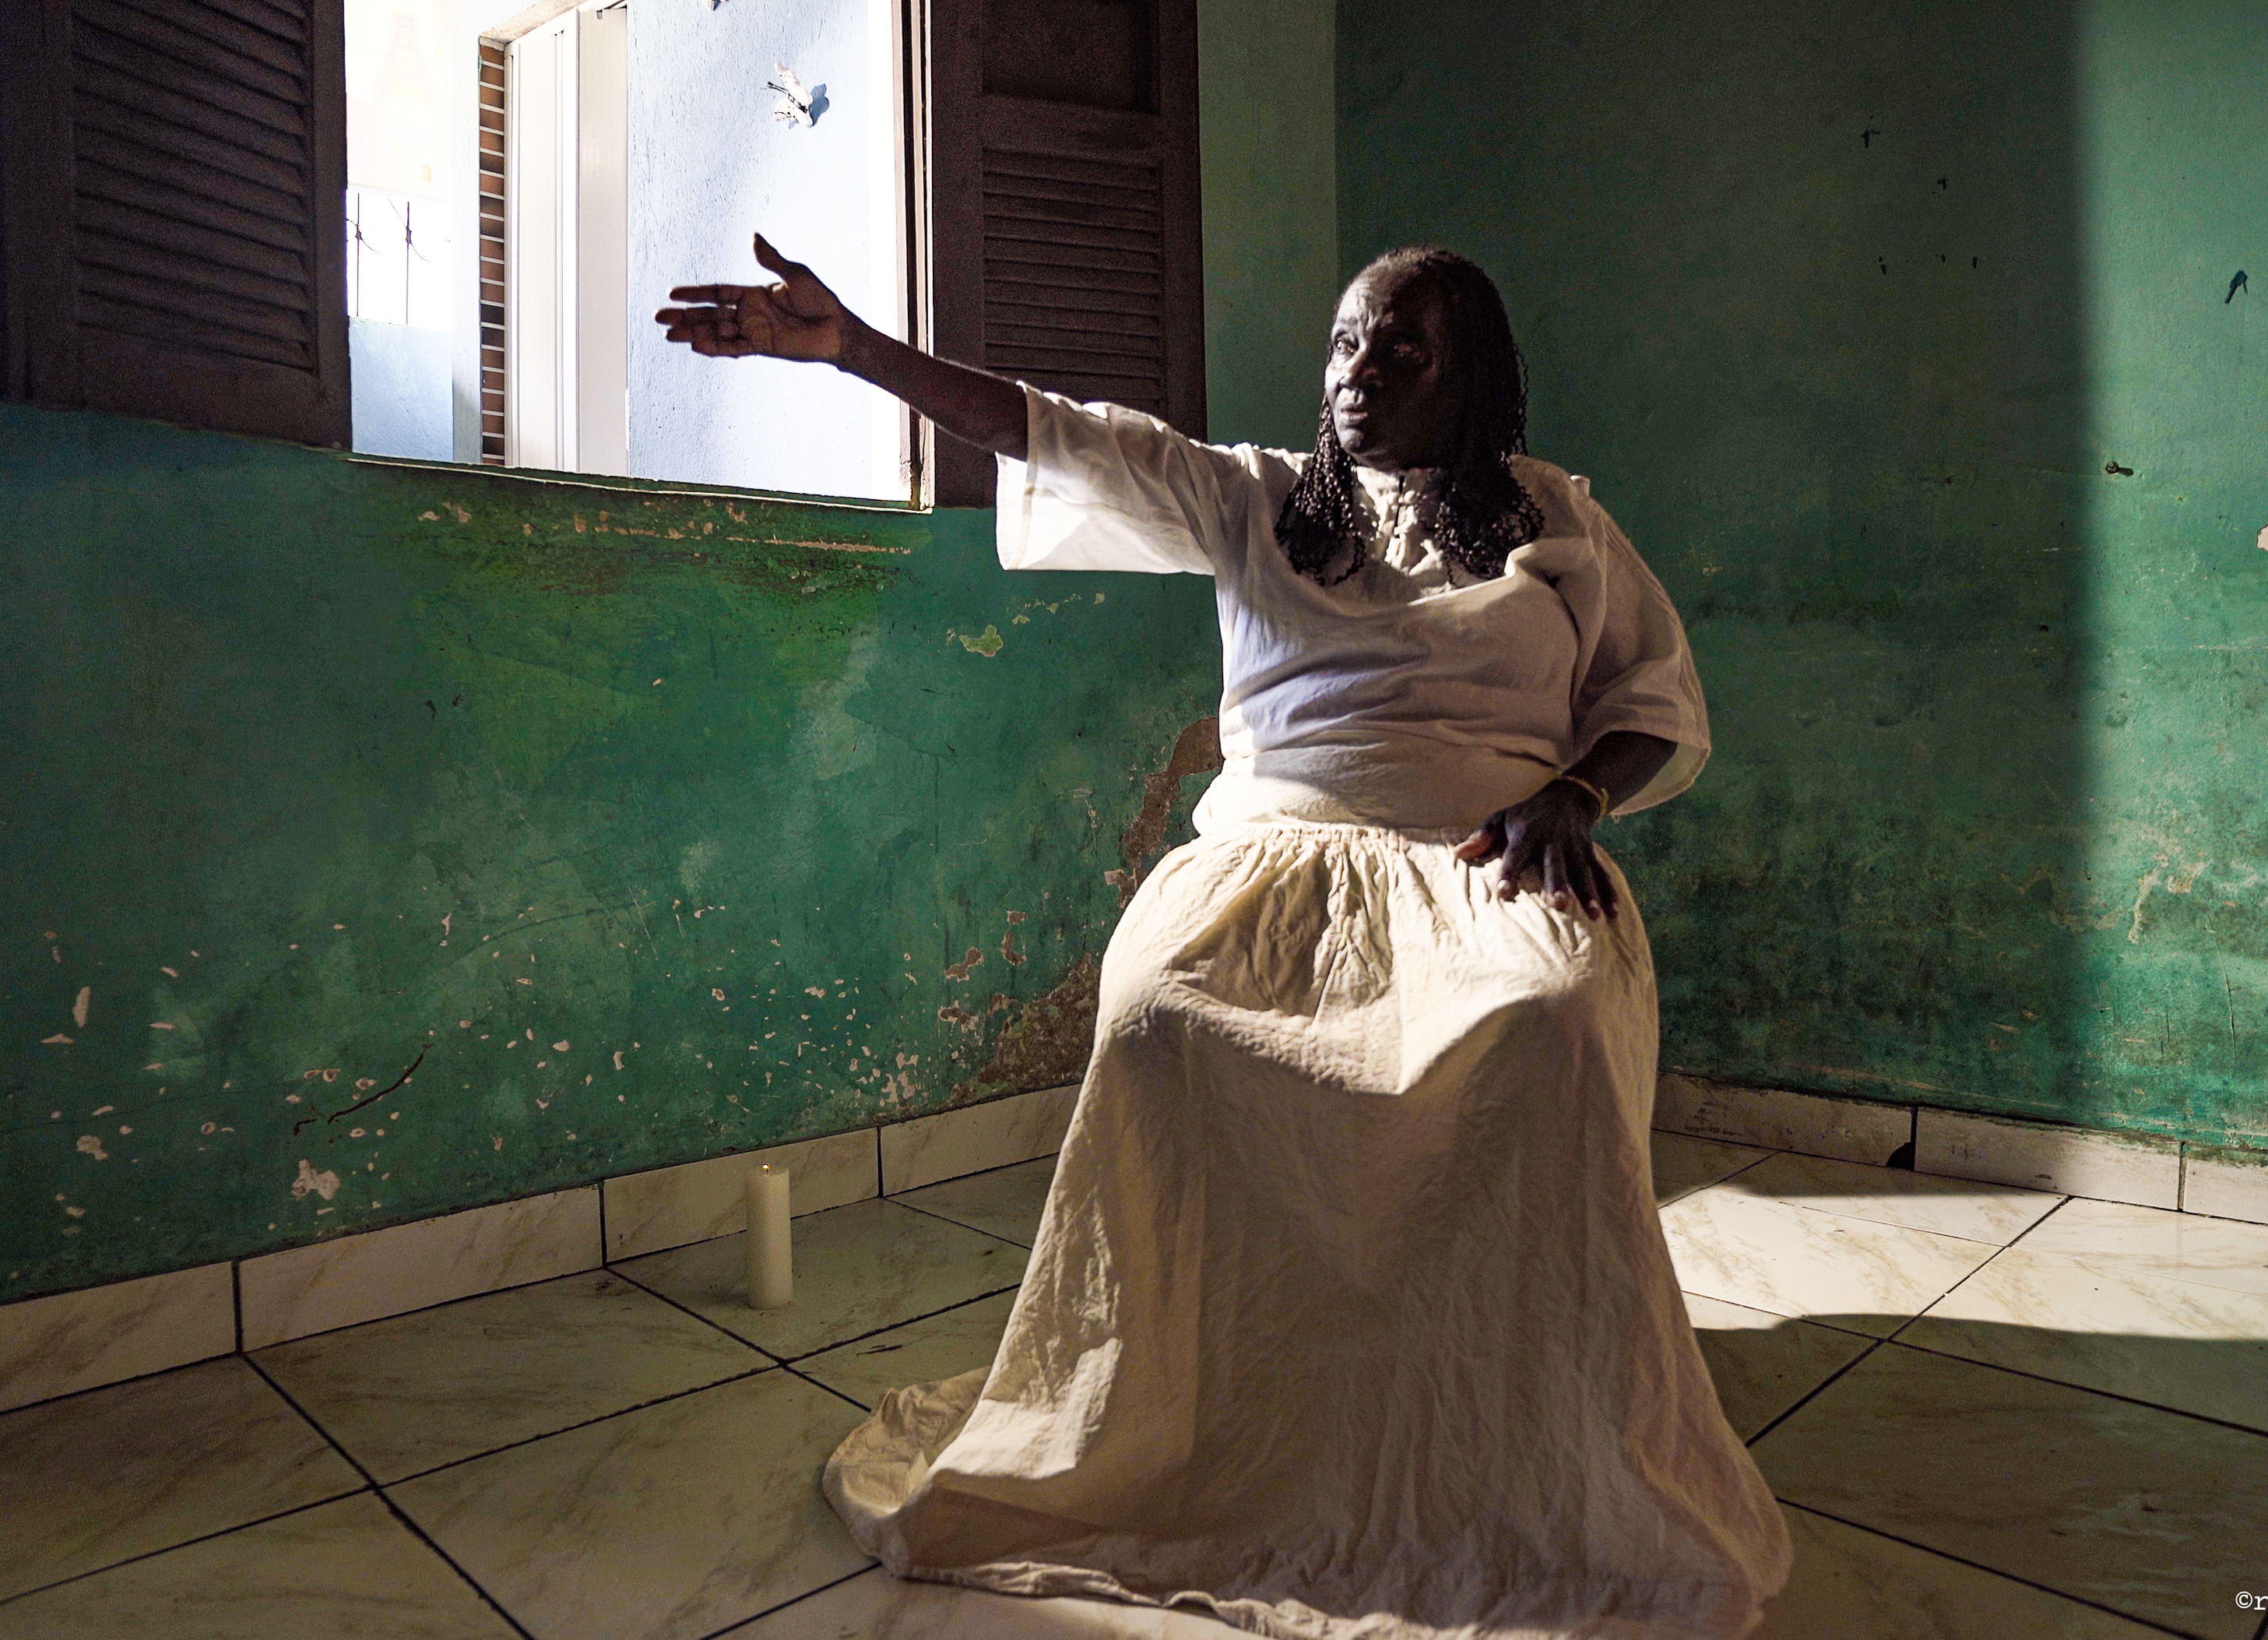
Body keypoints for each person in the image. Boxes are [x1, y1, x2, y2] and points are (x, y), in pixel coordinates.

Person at [656, 237, 1790, 1639]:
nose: (1359, 373)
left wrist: (1573, 794)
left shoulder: (1561, 525)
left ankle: (1511, 1423)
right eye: (1344, 347)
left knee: (1542, 1022)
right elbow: (1046, 427)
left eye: (1402, 351)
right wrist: (853, 349)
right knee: (1158, 1015)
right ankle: (1202, 1401)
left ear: (1474, 380)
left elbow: (1652, 701)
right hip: (1273, 870)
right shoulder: (1251, 498)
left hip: (1491, 861)